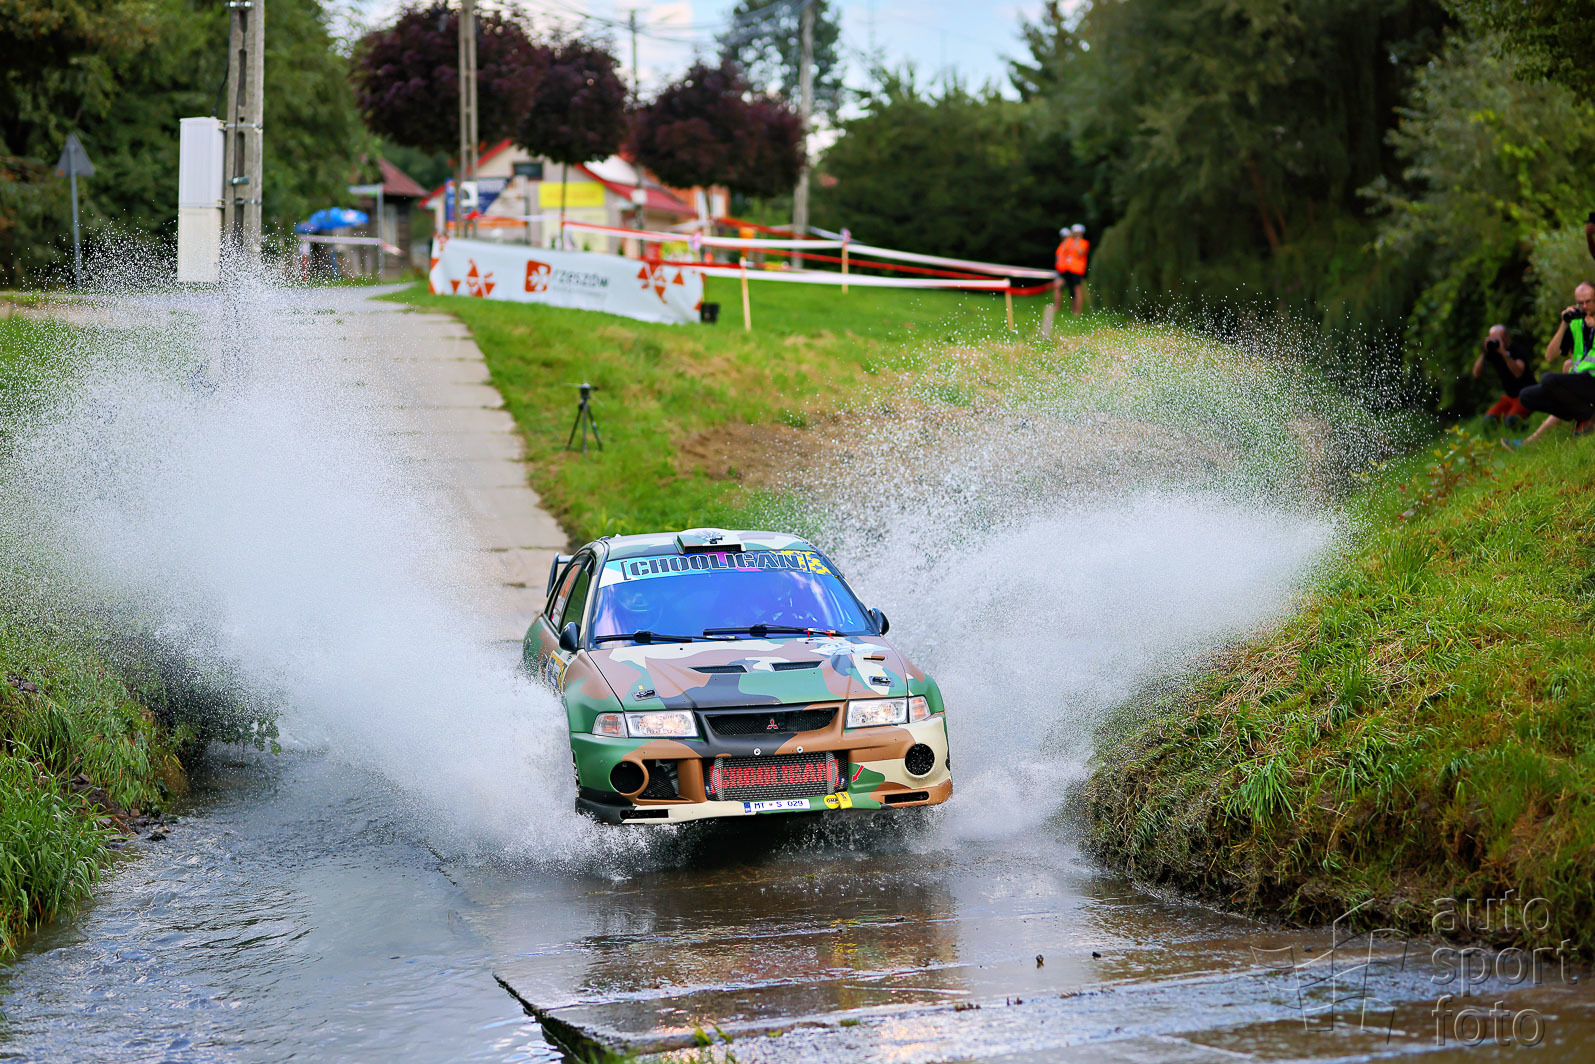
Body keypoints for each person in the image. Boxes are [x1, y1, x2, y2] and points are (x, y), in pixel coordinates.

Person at [1517, 282, 1595, 443]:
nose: (1584, 307)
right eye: (1580, 303)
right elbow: (1549, 356)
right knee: (1526, 396)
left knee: (1548, 379)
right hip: (1581, 381)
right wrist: (1564, 324)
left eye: (1588, 301)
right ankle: (1580, 414)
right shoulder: (1576, 323)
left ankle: (1587, 416)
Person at [1471, 324, 1535, 427]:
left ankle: (1525, 425)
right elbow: (1476, 373)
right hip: (1509, 397)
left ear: (1506, 338)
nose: (1495, 341)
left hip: (1526, 394)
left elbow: (1518, 373)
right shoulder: (1493, 353)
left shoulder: (1516, 349)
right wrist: (1485, 352)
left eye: (1498, 338)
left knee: (1511, 421)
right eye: (1493, 338)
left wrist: (1504, 353)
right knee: (1488, 421)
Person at [1053, 224, 1089, 316]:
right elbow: (1063, 250)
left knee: (1076, 290)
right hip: (1066, 269)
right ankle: (1057, 308)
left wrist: (1077, 242)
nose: (1076, 235)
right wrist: (1069, 239)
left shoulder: (1083, 243)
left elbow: (1080, 253)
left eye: (1077, 233)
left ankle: (1077, 313)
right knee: (1059, 286)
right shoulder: (1069, 242)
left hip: (1077, 270)